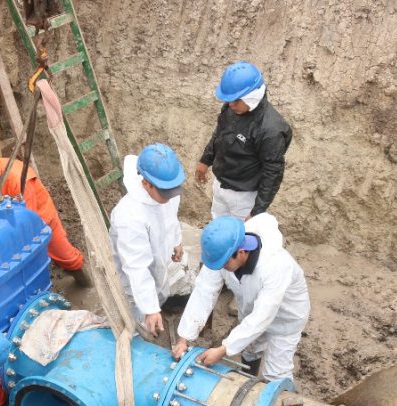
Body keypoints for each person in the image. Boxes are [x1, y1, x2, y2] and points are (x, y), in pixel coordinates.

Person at [172, 214, 309, 381]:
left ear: (242, 252)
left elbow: (262, 316)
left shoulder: (275, 265)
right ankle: (249, 381)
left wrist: (223, 349)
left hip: (284, 318)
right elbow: (204, 291)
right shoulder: (224, 250)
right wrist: (184, 338)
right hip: (251, 310)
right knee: (250, 349)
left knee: (276, 374)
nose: (220, 268)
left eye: (223, 264)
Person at [0, 146, 91, 286]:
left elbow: (27, 222)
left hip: (38, 216)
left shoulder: (18, 179)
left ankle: (85, 283)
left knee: (65, 255)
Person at [109, 143, 195, 335]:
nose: (171, 195)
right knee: (139, 313)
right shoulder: (129, 217)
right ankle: (142, 329)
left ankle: (159, 304)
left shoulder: (165, 189)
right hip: (137, 273)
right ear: (145, 183)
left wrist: (176, 241)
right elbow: (137, 267)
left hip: (160, 258)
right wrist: (149, 309)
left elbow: (170, 216)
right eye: (166, 192)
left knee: (161, 285)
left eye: (175, 189)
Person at [195, 61, 293, 220]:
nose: (231, 104)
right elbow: (219, 134)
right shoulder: (232, 107)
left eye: (236, 100)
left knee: (241, 241)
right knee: (220, 232)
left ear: (252, 97)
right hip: (220, 186)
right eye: (229, 99)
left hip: (244, 198)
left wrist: (257, 210)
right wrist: (205, 160)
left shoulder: (270, 129)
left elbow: (273, 172)